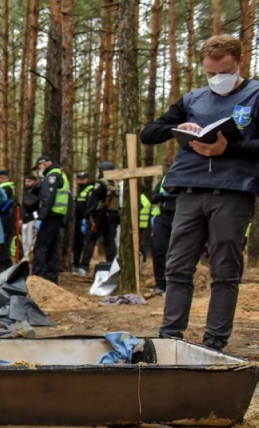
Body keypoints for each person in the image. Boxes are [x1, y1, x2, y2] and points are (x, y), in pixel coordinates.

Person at [140, 34, 259, 352]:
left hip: (233, 193)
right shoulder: (192, 99)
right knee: (177, 267)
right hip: (188, 192)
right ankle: (170, 336)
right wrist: (179, 129)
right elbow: (148, 133)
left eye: (223, 71)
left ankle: (214, 343)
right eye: (209, 73)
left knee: (224, 270)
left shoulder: (256, 94)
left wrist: (229, 148)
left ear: (239, 62)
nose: (216, 79)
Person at [31, 155, 71, 283]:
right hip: (58, 215)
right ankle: (52, 277)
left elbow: (48, 199)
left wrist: (41, 218)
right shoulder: (61, 174)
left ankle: (37, 277)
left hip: (51, 216)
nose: (39, 170)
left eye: (39, 167)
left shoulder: (52, 177)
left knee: (40, 246)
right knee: (53, 246)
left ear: (45, 164)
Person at [79, 162, 119, 272]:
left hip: (99, 217)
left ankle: (84, 266)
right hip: (112, 216)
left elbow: (93, 201)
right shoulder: (116, 184)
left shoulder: (100, 184)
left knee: (90, 241)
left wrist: (87, 216)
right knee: (110, 241)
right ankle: (111, 264)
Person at [149, 175, 177, 293]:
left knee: (178, 252)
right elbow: (153, 198)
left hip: (182, 218)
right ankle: (160, 284)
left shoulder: (190, 177)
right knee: (158, 248)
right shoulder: (165, 178)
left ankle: (176, 284)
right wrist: (164, 195)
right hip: (163, 217)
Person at [72, 172, 94, 276]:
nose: (80, 181)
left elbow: (90, 204)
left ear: (88, 179)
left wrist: (87, 218)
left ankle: (84, 266)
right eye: (79, 179)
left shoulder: (91, 188)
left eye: (82, 179)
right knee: (77, 244)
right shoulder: (81, 190)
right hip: (78, 220)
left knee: (87, 243)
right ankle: (76, 264)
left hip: (88, 220)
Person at [0, 170, 18, 260]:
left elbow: (1, 201)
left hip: (5, 215)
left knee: (3, 237)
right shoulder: (10, 186)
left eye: (1, 178)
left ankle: (5, 258)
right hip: (8, 215)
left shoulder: (6, 187)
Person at [20, 173, 40, 260]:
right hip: (25, 219)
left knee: (30, 240)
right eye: (26, 181)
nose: (27, 183)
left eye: (29, 181)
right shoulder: (28, 192)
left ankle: (30, 259)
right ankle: (25, 257)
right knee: (24, 240)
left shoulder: (37, 191)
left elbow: (33, 204)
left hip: (33, 218)